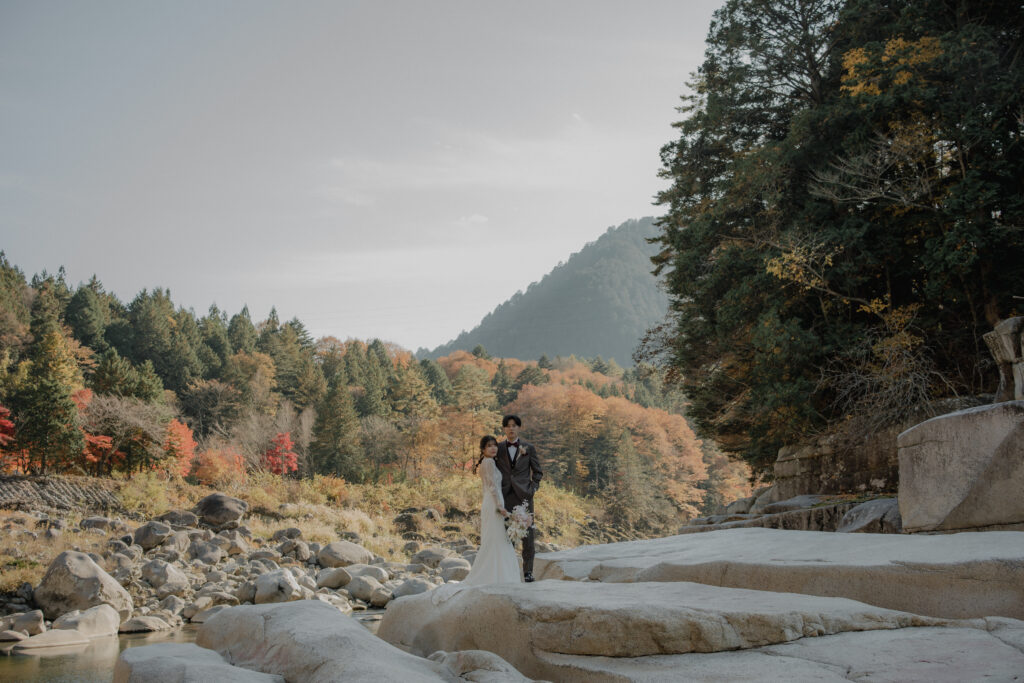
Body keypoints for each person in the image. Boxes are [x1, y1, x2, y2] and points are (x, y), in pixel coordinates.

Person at [458, 435, 523, 587]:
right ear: (483, 449)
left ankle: (497, 576)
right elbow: (493, 487)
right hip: (494, 503)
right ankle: (496, 577)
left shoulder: (489, 462)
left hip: (492, 502)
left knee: (496, 539)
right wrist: (501, 507)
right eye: (489, 446)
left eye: (495, 445)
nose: (493, 448)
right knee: (496, 539)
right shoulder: (488, 462)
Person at [494, 414, 542, 582]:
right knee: (507, 536)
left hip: (525, 497)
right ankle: (509, 571)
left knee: (528, 536)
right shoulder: (498, 448)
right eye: (508, 425)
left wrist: (533, 488)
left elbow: (538, 471)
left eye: (514, 425)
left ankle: (528, 572)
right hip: (505, 497)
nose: (511, 428)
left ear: (518, 428)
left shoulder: (528, 448)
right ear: (504, 429)